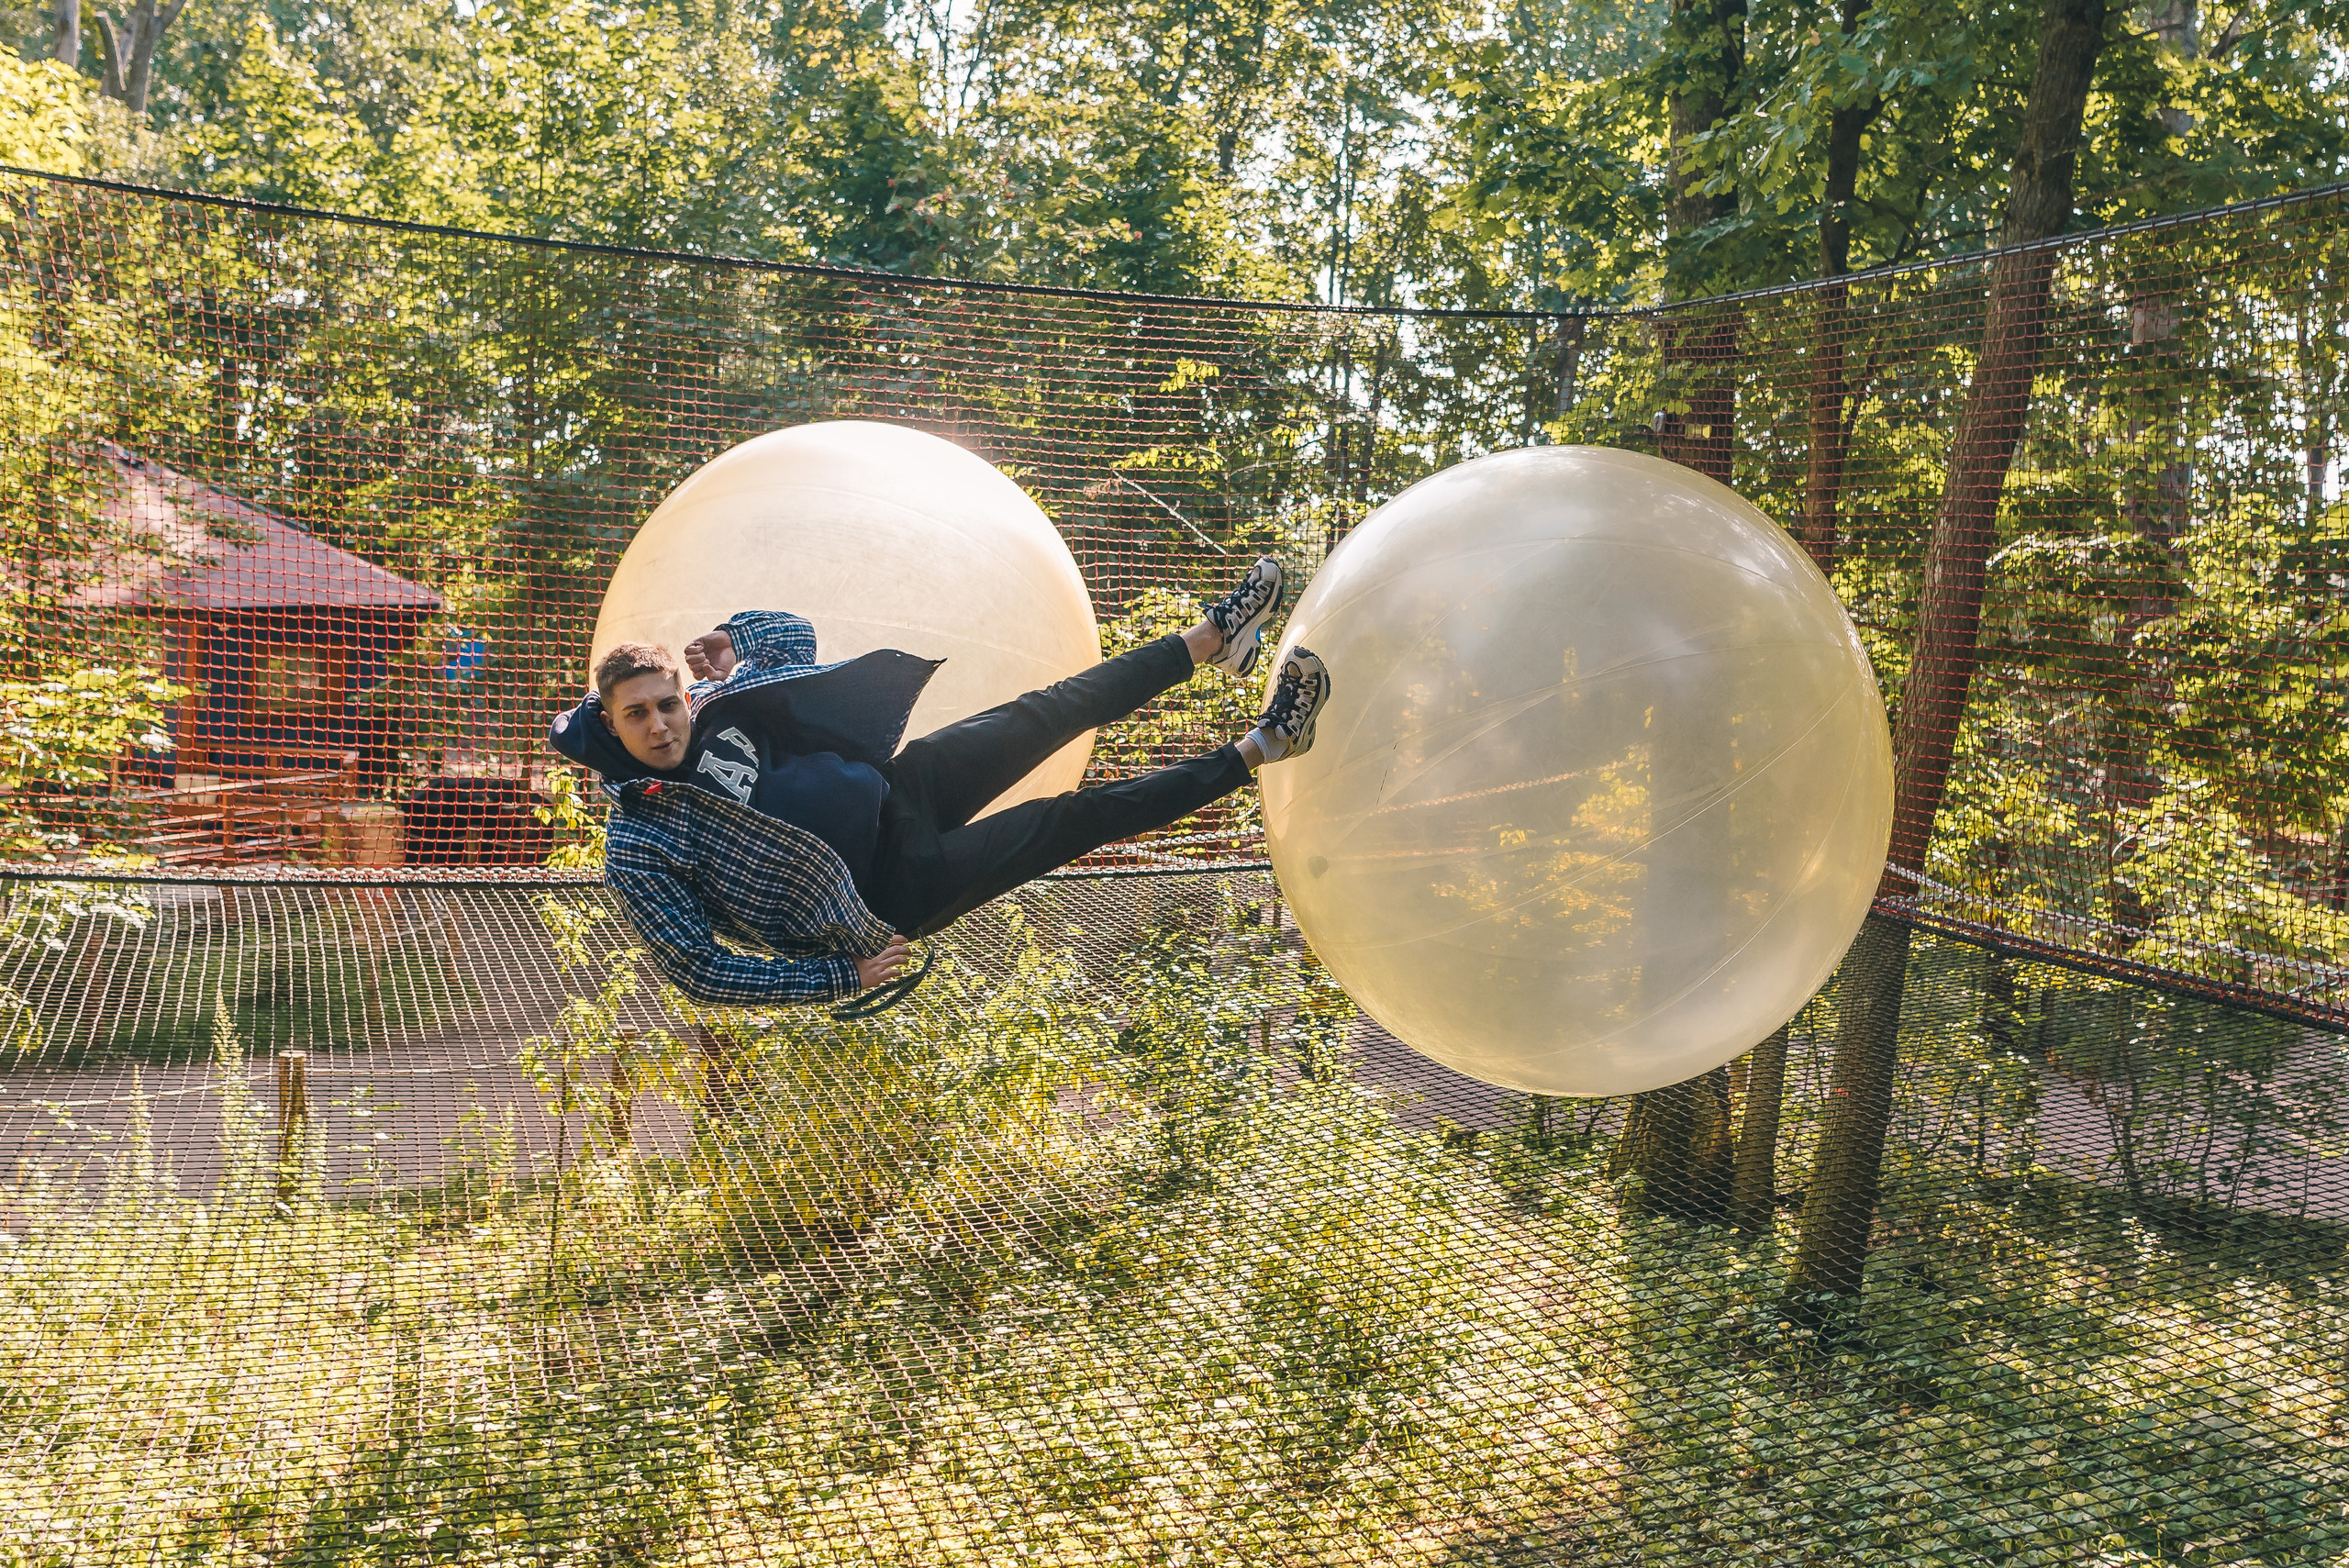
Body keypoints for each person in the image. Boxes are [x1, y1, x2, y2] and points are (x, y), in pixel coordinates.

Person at [547, 558, 1330, 1011]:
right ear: (611, 725)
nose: (659, 724)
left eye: (666, 702)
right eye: (636, 715)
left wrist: (734, 638)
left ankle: (1216, 639)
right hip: (892, 889)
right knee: (1074, 817)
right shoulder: (642, 842)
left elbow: (798, 639)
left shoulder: (715, 703)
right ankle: (1268, 742)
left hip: (899, 786)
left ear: (683, 693)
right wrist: (834, 978)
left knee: (1049, 710)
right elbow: (699, 969)